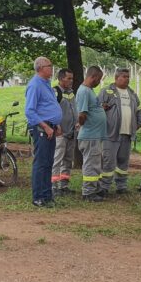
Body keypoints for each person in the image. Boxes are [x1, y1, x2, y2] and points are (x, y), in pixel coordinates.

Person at [97, 68, 141, 195]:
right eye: (124, 76)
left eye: (128, 76)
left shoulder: (132, 93)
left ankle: (121, 186)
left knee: (123, 161)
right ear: (116, 78)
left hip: (127, 134)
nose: (127, 79)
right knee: (108, 162)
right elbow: (96, 108)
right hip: (110, 134)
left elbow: (139, 109)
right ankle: (104, 187)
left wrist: (139, 122)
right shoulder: (106, 91)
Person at [24, 57, 62, 208]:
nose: (52, 68)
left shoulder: (46, 84)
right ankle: (38, 197)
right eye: (49, 66)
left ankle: (47, 195)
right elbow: (30, 111)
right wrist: (45, 126)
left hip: (50, 127)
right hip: (41, 128)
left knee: (48, 162)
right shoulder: (34, 85)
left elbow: (49, 106)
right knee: (41, 163)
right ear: (40, 68)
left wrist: (56, 124)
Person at [76, 66, 106, 202]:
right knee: (90, 164)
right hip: (90, 135)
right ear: (93, 77)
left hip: (95, 135)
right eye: (99, 79)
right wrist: (82, 124)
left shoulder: (90, 91)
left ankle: (95, 188)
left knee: (96, 163)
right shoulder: (83, 91)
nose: (99, 82)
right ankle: (88, 192)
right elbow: (82, 114)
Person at [52, 69, 78, 197]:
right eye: (69, 78)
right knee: (57, 159)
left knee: (68, 160)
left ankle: (64, 185)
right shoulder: (55, 92)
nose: (71, 81)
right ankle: (54, 186)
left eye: (72, 78)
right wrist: (57, 126)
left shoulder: (72, 93)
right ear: (61, 78)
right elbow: (51, 111)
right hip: (60, 133)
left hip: (72, 132)